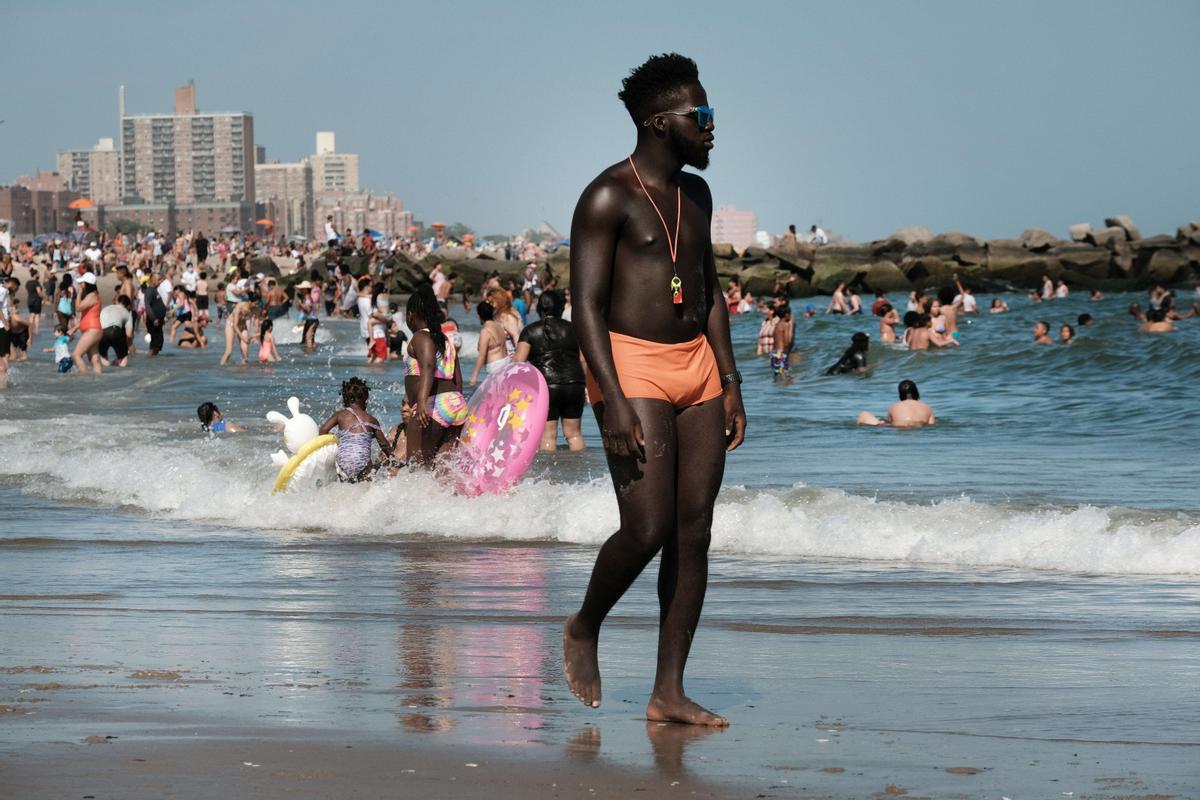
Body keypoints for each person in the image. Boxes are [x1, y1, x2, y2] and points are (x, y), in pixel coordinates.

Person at [563, 54, 745, 727]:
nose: (712, 128)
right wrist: (607, 397)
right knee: (645, 529)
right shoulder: (608, 196)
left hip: (697, 365)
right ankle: (585, 624)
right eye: (702, 117)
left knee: (692, 532)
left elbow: (712, 293)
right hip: (631, 365)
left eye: (711, 114)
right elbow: (584, 306)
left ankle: (668, 691)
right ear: (659, 122)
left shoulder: (695, 197)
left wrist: (729, 382)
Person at [513, 290, 587, 451]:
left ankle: (550, 475)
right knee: (574, 434)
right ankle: (582, 471)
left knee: (548, 435)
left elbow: (519, 361)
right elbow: (582, 359)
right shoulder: (574, 329)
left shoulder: (530, 330)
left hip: (546, 387)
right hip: (574, 384)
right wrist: (586, 386)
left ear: (539, 308)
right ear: (560, 308)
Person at [403, 285, 466, 466]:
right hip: (455, 405)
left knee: (416, 470)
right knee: (442, 471)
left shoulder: (420, 337)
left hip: (433, 405)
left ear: (411, 315)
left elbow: (428, 366)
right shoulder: (445, 339)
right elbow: (457, 379)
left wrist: (422, 403)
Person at [319, 377, 394, 482]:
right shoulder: (371, 420)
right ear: (366, 399)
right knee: (370, 474)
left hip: (344, 461)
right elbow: (384, 445)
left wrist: (337, 439)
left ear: (344, 399)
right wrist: (395, 461)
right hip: (363, 463)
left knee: (344, 483)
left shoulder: (340, 415)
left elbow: (322, 431)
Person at [857, 380, 935, 428]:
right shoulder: (927, 408)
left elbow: (890, 421)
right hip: (918, 428)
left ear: (900, 395)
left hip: (899, 427)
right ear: (916, 393)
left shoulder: (894, 407)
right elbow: (931, 425)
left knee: (863, 414)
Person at [469, 301, 513, 384]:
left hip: (495, 366)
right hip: (506, 361)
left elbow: (482, 355)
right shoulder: (499, 326)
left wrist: (474, 375)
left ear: (479, 316)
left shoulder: (485, 331)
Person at [72, 273, 103, 374]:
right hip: (94, 330)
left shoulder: (92, 296)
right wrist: (75, 328)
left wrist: (79, 293)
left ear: (85, 284)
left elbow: (78, 308)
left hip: (92, 330)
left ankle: (84, 376)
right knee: (94, 359)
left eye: (81, 283)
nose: (79, 284)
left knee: (76, 355)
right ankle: (98, 379)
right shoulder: (94, 295)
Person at [98, 295, 134, 367]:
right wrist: (129, 346)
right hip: (117, 332)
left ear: (117, 302)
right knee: (123, 359)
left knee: (103, 356)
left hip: (102, 333)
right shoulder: (127, 313)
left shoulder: (106, 308)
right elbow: (129, 334)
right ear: (128, 306)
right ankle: (120, 366)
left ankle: (108, 368)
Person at [145, 273, 168, 355]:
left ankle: (153, 363)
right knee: (155, 344)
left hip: (158, 321)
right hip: (154, 321)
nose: (160, 281)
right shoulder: (149, 291)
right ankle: (150, 359)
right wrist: (154, 318)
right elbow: (147, 306)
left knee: (158, 343)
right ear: (152, 280)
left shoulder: (155, 290)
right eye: (158, 279)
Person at [769, 303, 793, 379]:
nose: (791, 316)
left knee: (777, 376)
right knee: (786, 377)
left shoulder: (777, 325)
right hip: (781, 353)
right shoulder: (785, 324)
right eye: (790, 314)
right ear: (786, 315)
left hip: (774, 353)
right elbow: (786, 341)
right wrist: (787, 354)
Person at [0, 275, 14, 388]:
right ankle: (3, 384)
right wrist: (5, 323)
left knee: (5, 355)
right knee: (4, 355)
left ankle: (4, 382)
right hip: (1, 326)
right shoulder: (3, 290)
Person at [25, 267, 44, 338]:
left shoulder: (28, 282)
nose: (39, 275)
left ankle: (30, 329)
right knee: (37, 316)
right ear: (35, 275)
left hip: (29, 300)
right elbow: (39, 292)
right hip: (36, 300)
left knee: (31, 315)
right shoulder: (36, 282)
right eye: (38, 274)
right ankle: (37, 330)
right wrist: (43, 298)